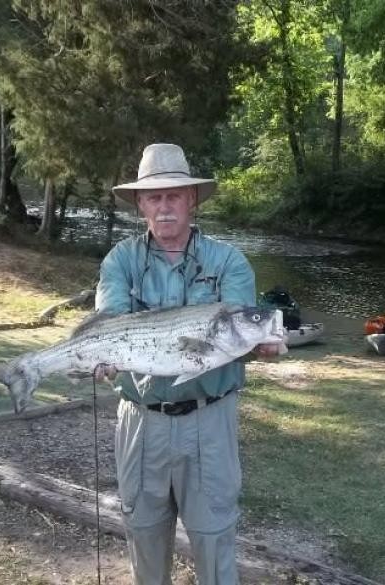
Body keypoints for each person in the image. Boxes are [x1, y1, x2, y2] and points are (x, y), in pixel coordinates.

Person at [94, 143, 281, 584]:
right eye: (154, 197)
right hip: (141, 422)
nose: (164, 207)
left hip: (209, 422)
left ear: (192, 199)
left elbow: (240, 326)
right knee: (143, 534)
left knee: (214, 539)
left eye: (174, 195)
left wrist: (261, 342)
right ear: (140, 204)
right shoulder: (121, 260)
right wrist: (103, 357)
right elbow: (111, 318)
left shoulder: (229, 262)